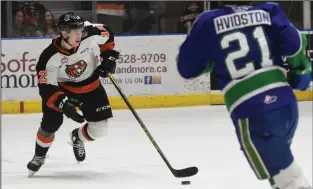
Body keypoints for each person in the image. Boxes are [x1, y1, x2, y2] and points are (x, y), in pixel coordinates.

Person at [177, 1, 312, 189]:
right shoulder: (269, 9)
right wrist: (302, 70)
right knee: (281, 175)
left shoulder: (208, 21)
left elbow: (186, 68)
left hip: (254, 112)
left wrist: (211, 58)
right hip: (287, 106)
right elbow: (294, 45)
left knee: (289, 180)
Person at [27, 12, 119, 177]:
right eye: (75, 31)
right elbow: (46, 87)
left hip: (91, 87)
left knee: (100, 130)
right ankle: (39, 155)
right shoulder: (48, 57)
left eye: (81, 29)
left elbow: (108, 33)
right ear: (64, 33)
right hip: (63, 90)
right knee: (50, 124)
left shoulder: (90, 32)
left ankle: (78, 137)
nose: (80, 34)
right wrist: (63, 103)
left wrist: (108, 57)